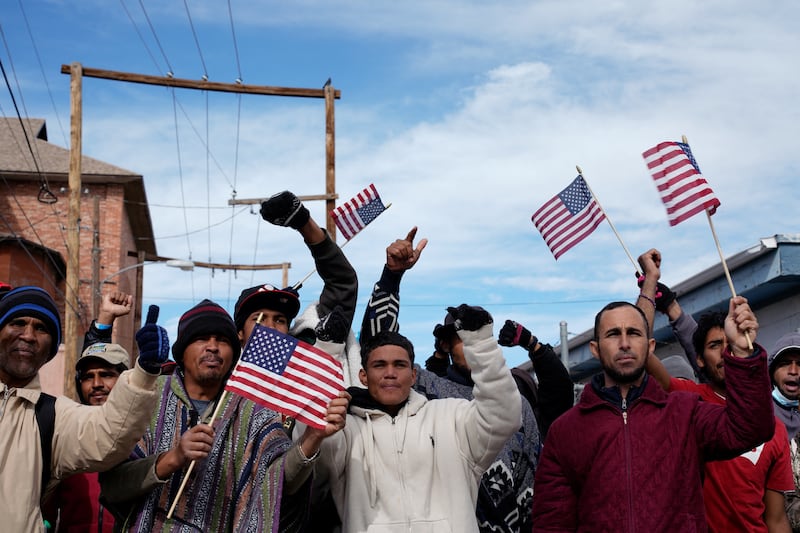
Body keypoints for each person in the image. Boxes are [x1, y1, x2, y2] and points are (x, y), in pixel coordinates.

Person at [100, 299, 348, 532]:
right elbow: (113, 485)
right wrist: (174, 458)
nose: (213, 347)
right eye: (201, 338)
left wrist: (313, 438)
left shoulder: (254, 409)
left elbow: (277, 483)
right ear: (181, 352)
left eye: (222, 340)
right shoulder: (147, 397)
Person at [532, 294, 775, 531]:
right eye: (613, 334)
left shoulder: (685, 412)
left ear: (649, 346)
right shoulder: (566, 430)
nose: (625, 343)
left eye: (634, 333)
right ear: (595, 349)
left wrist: (743, 353)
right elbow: (552, 522)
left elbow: (751, 429)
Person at [360, 228, 538, 532]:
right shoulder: (427, 390)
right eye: (461, 338)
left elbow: (533, 476)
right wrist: (392, 277)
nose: (471, 345)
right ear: (445, 345)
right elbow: (379, 347)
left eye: (477, 335)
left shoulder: (516, 403)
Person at [318, 303, 521, 533]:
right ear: (363, 376)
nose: (390, 373)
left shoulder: (451, 416)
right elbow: (312, 437)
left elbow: (504, 415)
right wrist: (326, 352)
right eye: (379, 365)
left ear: (414, 374)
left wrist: (481, 343)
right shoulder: (346, 429)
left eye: (400, 365)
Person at [0, 286, 165, 533]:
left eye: (41, 328)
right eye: (17, 323)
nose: (28, 335)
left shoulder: (55, 418)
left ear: (50, 350)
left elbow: (109, 432)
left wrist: (144, 372)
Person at [235, 190, 361, 385]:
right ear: (240, 334)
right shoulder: (223, 376)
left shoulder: (309, 363)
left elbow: (342, 282)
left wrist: (303, 223)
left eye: (280, 320)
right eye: (258, 319)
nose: (270, 328)